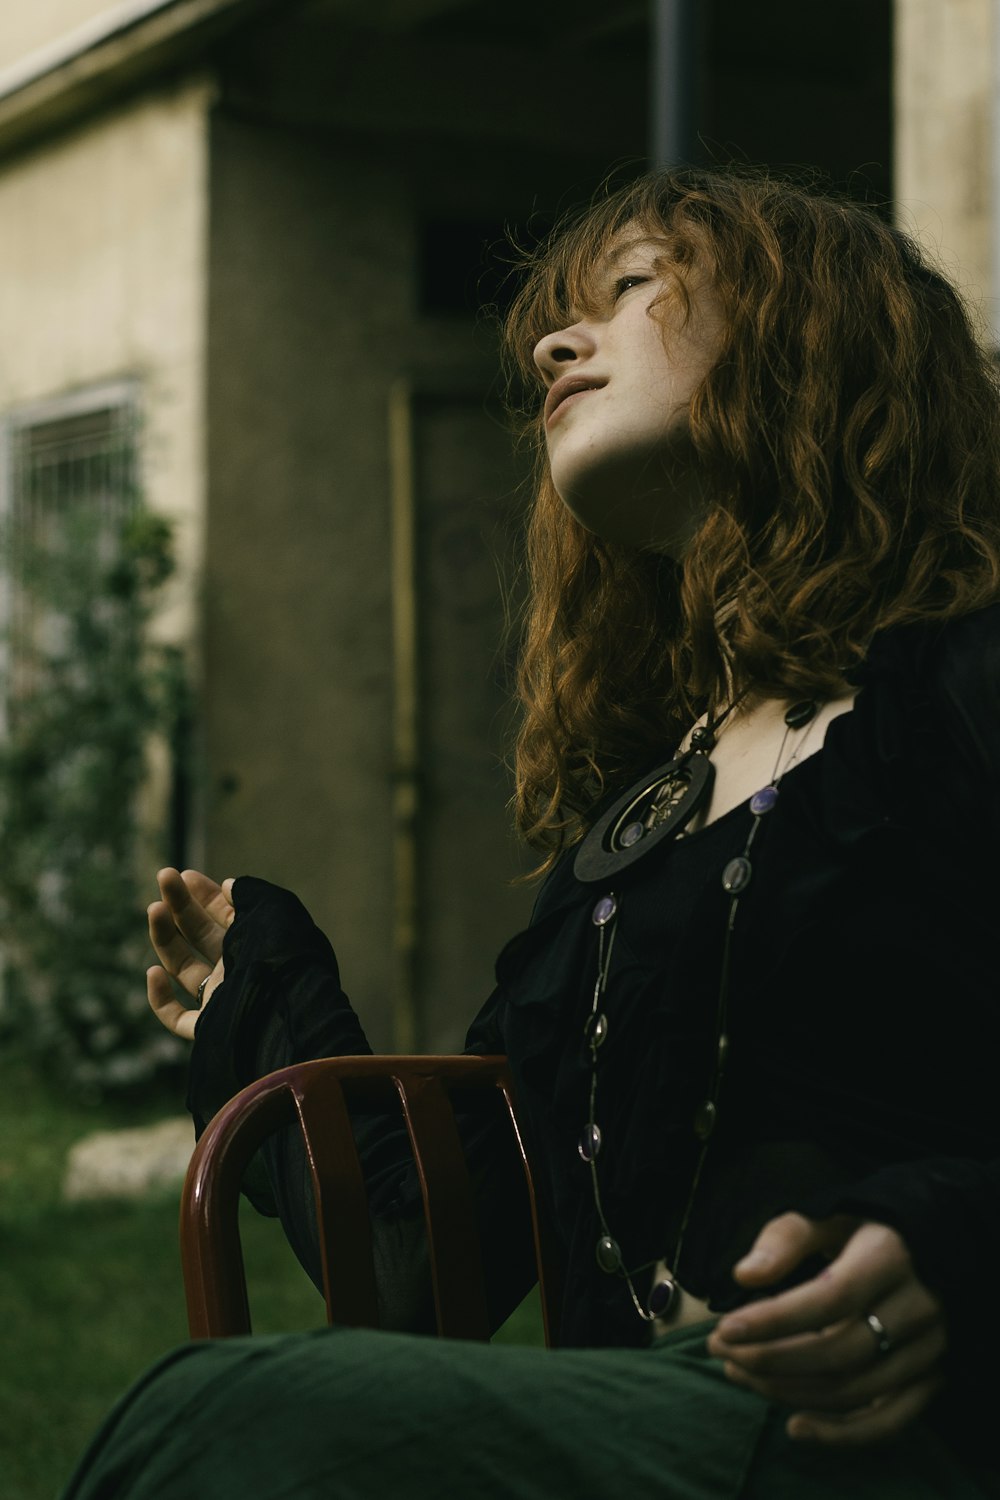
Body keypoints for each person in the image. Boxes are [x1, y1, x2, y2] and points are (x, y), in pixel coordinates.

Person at [62, 166, 1000, 1499]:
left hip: (909, 1437)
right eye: (565, 318)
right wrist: (259, 994)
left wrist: (956, 1248)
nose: (559, 342)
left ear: (811, 340)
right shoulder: (641, 825)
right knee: (236, 1415)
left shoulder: (964, 694)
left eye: (629, 292)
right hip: (646, 1433)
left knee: (221, 1414)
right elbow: (416, 1282)